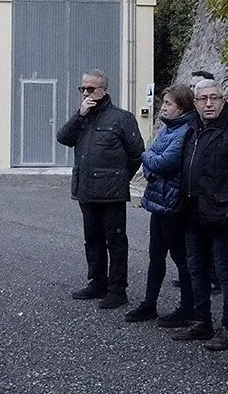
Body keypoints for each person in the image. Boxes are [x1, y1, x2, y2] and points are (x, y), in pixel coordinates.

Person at [57, 69, 145, 309]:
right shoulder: (82, 117)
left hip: (111, 192)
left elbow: (136, 154)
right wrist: (79, 114)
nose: (86, 93)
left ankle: (118, 289)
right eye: (83, 89)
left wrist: (117, 176)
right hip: (85, 188)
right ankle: (97, 282)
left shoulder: (121, 118)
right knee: (92, 239)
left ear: (104, 90)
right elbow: (62, 137)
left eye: (91, 89)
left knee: (115, 241)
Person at [173, 78, 228, 351]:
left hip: (222, 215)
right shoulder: (192, 128)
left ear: (223, 100)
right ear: (195, 103)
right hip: (193, 212)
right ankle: (202, 321)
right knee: (196, 270)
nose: (209, 103)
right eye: (203, 98)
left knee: (226, 274)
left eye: (214, 98)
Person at [126, 84, 196, 327]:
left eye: (168, 104)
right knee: (156, 255)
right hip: (158, 201)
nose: (163, 108)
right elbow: (152, 161)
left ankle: (188, 308)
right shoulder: (169, 129)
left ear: (182, 107)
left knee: (181, 258)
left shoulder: (186, 131)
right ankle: (149, 303)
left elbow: (162, 161)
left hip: (173, 203)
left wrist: (149, 159)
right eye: (163, 103)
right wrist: (151, 161)